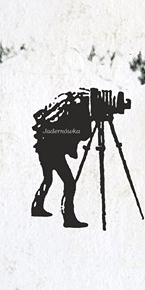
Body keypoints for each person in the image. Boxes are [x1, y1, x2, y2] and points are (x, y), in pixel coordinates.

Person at [29, 91, 94, 229]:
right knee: (69, 183)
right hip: (53, 151)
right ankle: (68, 217)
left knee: (48, 179)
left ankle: (37, 207)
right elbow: (82, 134)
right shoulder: (69, 113)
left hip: (44, 148)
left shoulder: (61, 110)